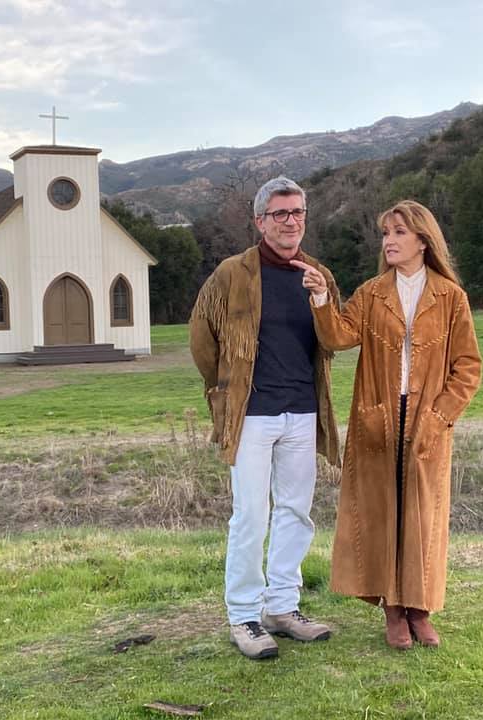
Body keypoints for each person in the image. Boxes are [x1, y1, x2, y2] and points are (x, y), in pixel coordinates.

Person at [290, 199, 482, 650]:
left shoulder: (451, 298)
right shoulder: (372, 293)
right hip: (376, 422)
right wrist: (321, 296)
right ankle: (393, 611)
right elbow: (338, 336)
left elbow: (468, 367)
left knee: (423, 516)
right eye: (385, 233)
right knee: (381, 515)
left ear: (423, 240)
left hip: (428, 424)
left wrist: (440, 417)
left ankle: (421, 609)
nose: (389, 241)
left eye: (398, 232)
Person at [189, 176, 341, 660]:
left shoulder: (318, 273)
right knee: (251, 515)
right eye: (280, 214)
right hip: (252, 414)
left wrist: (321, 299)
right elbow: (202, 338)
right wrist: (227, 391)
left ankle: (283, 607)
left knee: (296, 511)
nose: (291, 221)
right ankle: (244, 616)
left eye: (298, 212)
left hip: (302, 411)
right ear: (260, 221)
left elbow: (334, 339)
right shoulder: (233, 274)